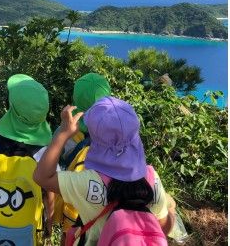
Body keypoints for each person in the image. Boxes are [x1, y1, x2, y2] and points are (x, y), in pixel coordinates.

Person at [34, 97, 177, 245]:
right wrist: (171, 209)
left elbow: (42, 177)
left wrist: (63, 132)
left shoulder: (88, 182)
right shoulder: (151, 178)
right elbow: (162, 228)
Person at [0, 74, 56, 244]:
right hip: (27, 220)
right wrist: (50, 219)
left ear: (10, 109)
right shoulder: (43, 152)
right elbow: (50, 191)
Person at [55, 73, 111, 237]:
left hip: (70, 203)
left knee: (69, 237)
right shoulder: (113, 130)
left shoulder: (65, 130)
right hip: (100, 205)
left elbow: (55, 161)